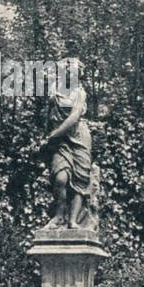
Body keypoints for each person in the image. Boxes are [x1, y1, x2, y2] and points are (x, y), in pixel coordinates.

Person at [40, 60, 93, 228]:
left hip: (79, 137)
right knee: (60, 179)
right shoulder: (55, 91)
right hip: (61, 142)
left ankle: (73, 220)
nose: (71, 74)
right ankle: (59, 215)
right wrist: (46, 138)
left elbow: (74, 117)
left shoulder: (80, 92)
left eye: (75, 72)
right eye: (68, 71)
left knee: (80, 180)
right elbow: (48, 117)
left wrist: (53, 134)